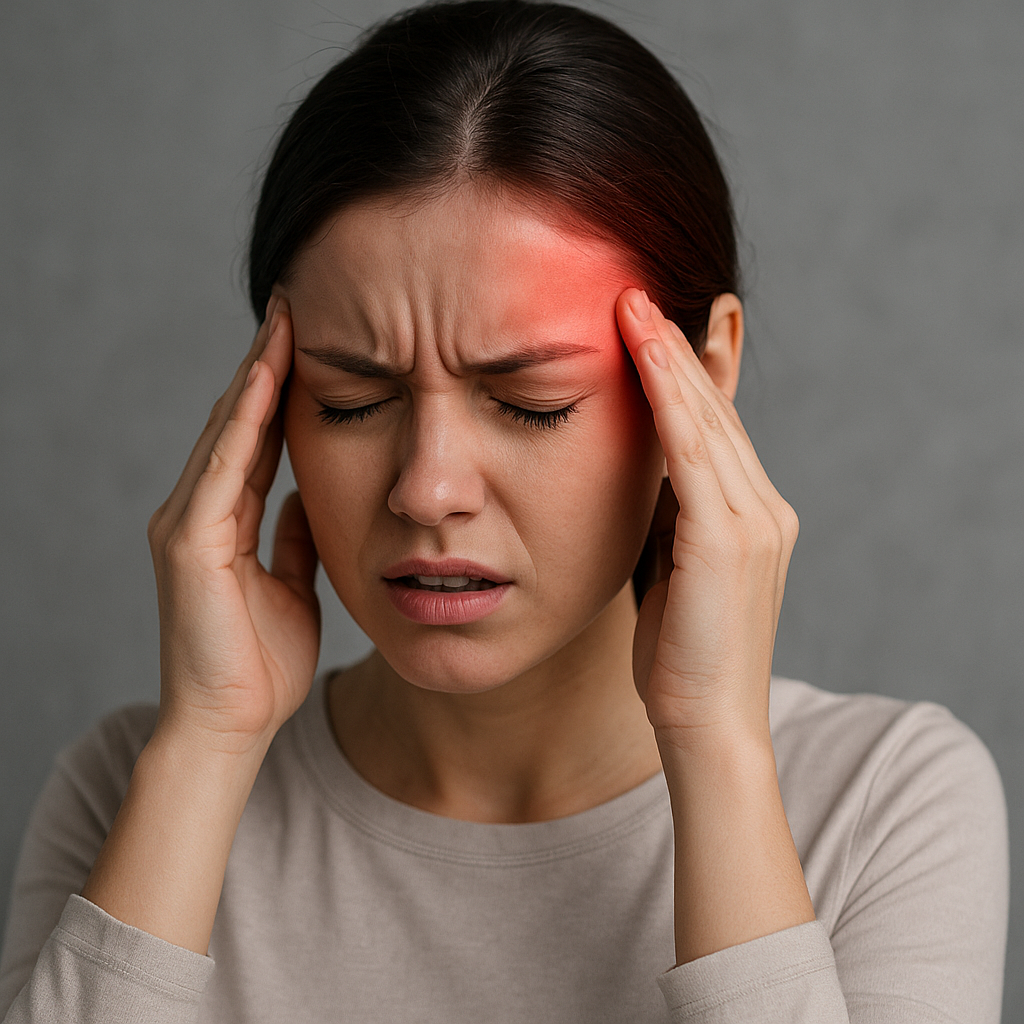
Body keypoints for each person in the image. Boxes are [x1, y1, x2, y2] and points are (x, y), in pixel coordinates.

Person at [0, 1, 1009, 1021]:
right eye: (352, 397)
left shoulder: (885, 802)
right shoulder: (128, 790)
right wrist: (205, 749)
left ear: (700, 378)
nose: (427, 489)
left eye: (532, 404)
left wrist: (711, 745)